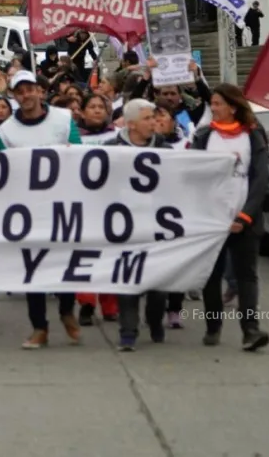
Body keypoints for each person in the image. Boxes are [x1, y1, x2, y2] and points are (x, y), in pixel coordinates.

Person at [0, 70, 83, 349]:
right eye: (20, 91)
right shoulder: (5, 131)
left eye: (30, 89)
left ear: (40, 91)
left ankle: (67, 310)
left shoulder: (63, 119)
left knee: (66, 262)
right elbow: (0, 168)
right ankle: (39, 327)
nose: (26, 95)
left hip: (62, 204)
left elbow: (80, 153)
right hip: (28, 209)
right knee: (32, 269)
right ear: (14, 95)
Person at [189, 84, 269, 352]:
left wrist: (245, 215)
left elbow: (260, 180)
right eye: (212, 104)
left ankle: (251, 331)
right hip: (212, 221)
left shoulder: (253, 136)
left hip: (244, 220)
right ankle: (213, 327)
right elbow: (192, 177)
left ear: (233, 107)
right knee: (212, 276)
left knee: (246, 277)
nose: (213, 108)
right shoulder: (204, 137)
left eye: (218, 104)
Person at [104, 99, 173, 351]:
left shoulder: (166, 149)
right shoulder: (111, 149)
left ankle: (155, 321)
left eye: (153, 118)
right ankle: (128, 332)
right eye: (147, 119)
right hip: (125, 226)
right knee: (127, 278)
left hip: (157, 225)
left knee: (157, 285)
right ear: (131, 124)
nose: (153, 122)